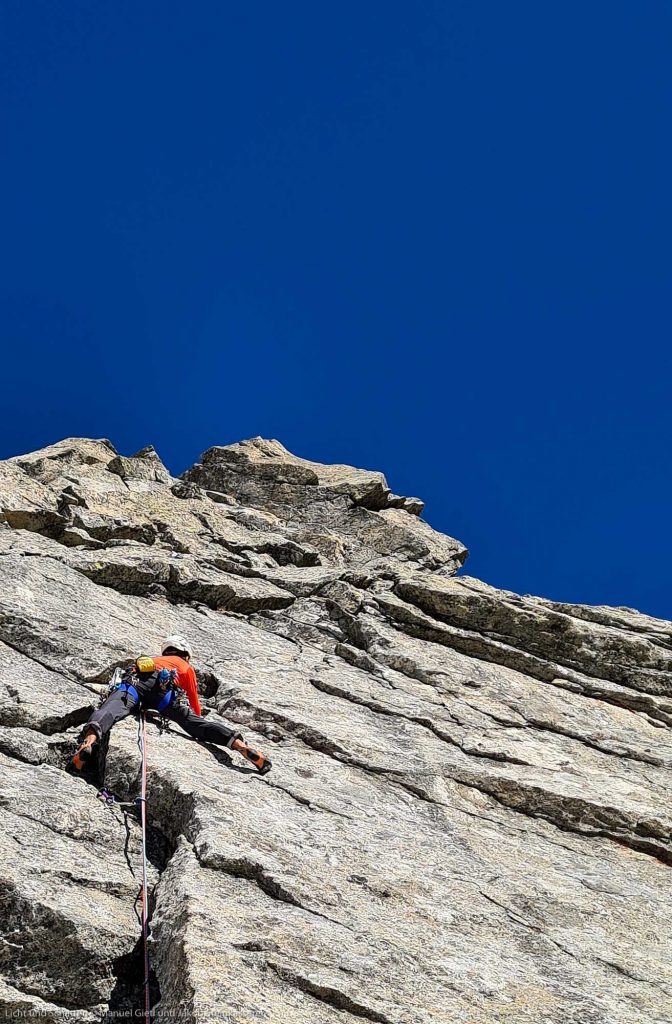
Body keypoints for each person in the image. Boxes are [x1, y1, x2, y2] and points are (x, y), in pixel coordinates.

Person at [71, 634, 272, 774]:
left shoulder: (153, 659)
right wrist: (194, 717)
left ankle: (89, 742)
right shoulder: (185, 667)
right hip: (164, 693)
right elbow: (194, 702)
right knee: (194, 724)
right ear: (185, 653)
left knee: (111, 708)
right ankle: (240, 746)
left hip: (137, 683)